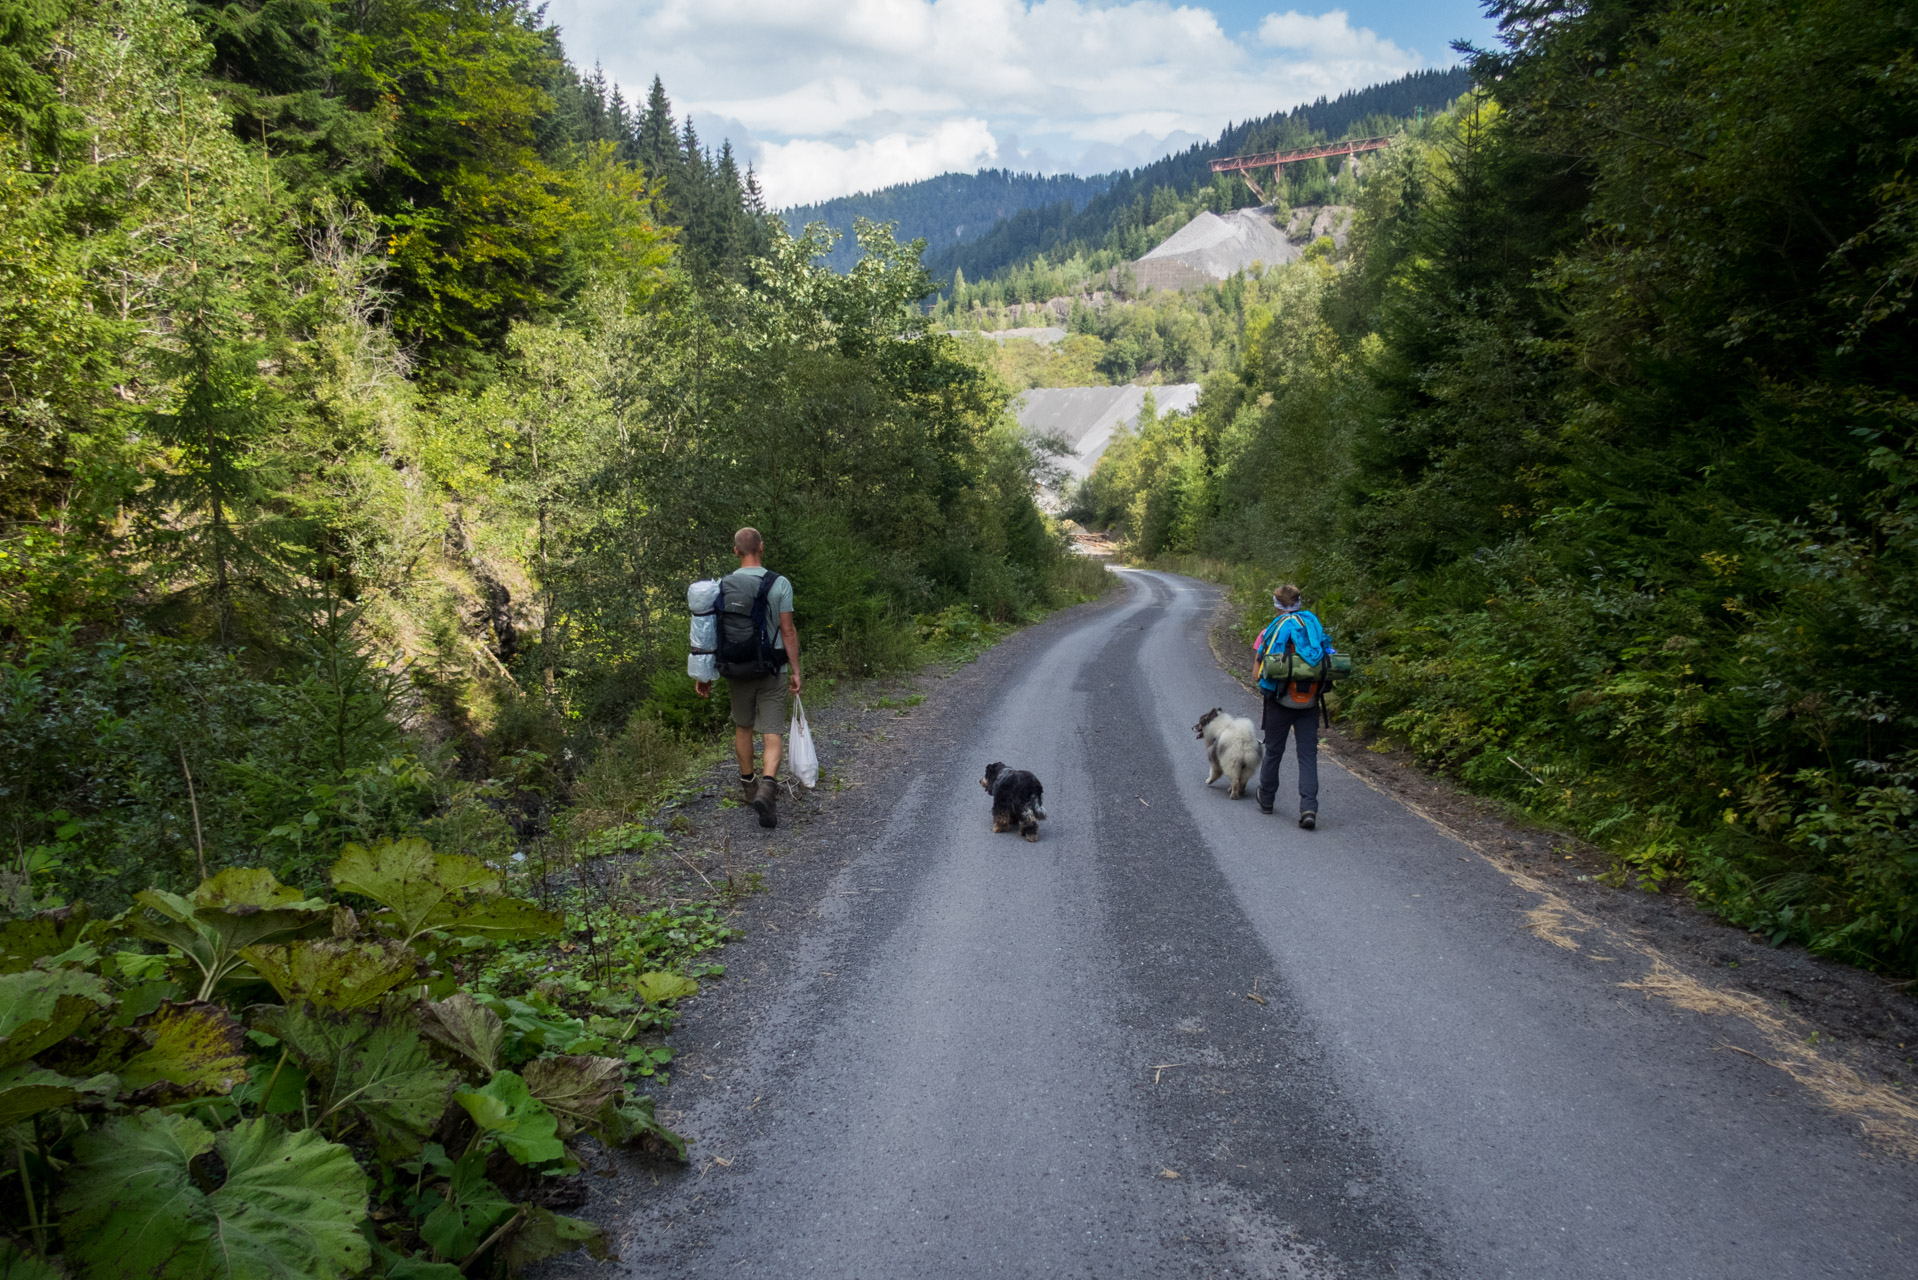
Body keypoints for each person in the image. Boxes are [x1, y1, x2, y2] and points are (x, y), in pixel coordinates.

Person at [695, 527, 802, 829]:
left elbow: (709, 632)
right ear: (761, 548)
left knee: (743, 727)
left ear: (736, 551)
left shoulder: (722, 586)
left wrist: (706, 675)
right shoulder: (779, 583)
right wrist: (795, 670)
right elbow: (788, 630)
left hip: (737, 669)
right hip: (772, 669)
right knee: (771, 731)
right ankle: (769, 787)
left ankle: (749, 786)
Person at [1251, 583, 1331, 829]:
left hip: (1279, 701)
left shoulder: (1269, 631)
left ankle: (1266, 799)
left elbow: (1256, 675)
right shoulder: (1313, 629)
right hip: (1309, 703)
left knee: (1274, 750)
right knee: (1307, 755)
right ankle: (1309, 808)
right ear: (1299, 603)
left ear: (1276, 605)